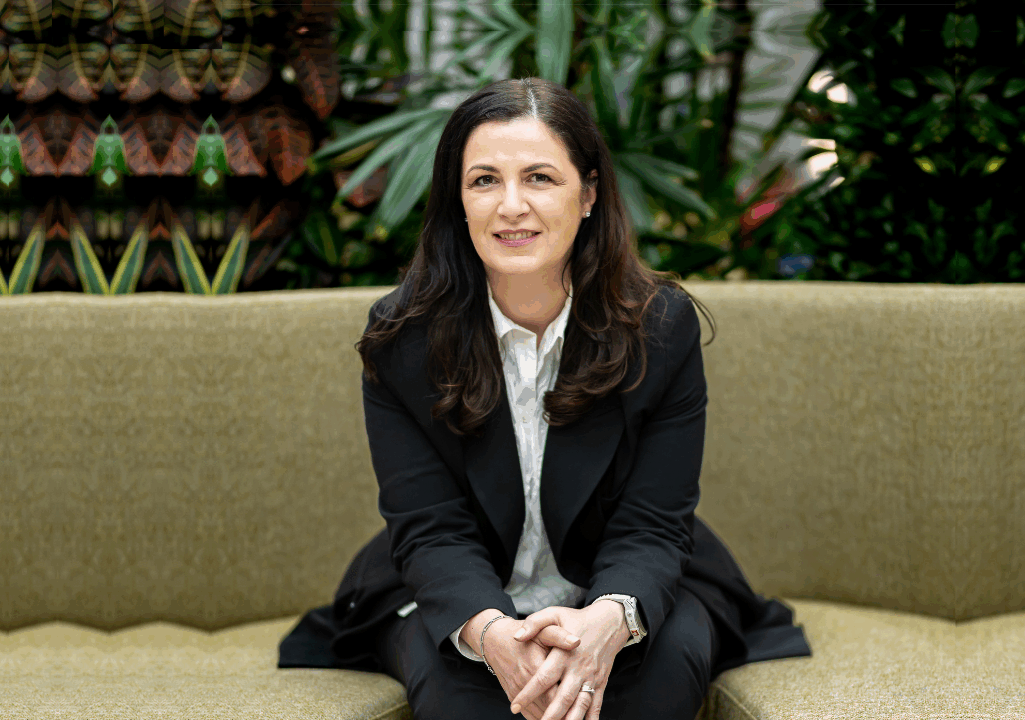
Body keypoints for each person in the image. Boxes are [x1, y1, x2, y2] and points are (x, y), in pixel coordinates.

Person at [278, 77, 812, 720]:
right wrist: (491, 633)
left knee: (662, 679)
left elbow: (653, 520)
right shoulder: (403, 340)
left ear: (588, 194)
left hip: (628, 586)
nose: (511, 206)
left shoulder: (660, 327)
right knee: (459, 699)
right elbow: (430, 527)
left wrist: (608, 621)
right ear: (457, 200)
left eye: (539, 178)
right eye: (484, 180)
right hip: (458, 595)